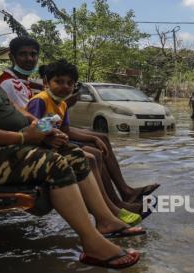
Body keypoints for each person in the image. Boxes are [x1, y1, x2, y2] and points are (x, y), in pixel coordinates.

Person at [0, 18, 143, 269]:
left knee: (73, 153)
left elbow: (10, 107)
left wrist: (41, 128)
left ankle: (106, 221)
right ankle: (92, 244)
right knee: (53, 163)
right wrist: (24, 137)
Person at [26, 59, 145, 225]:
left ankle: (114, 205)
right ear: (46, 82)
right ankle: (111, 209)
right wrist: (49, 137)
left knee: (95, 154)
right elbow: (33, 130)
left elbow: (66, 130)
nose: (64, 87)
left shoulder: (61, 105)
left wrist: (93, 137)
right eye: (58, 82)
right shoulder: (40, 101)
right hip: (40, 148)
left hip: (58, 145)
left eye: (69, 83)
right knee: (89, 157)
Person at [0, 36, 43, 123]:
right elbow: (32, 119)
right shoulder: (13, 84)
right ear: (11, 57)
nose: (29, 58)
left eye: (33, 54)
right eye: (22, 54)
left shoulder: (19, 81)